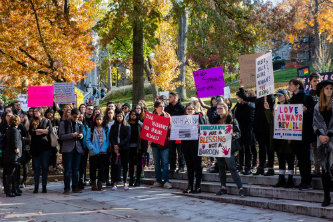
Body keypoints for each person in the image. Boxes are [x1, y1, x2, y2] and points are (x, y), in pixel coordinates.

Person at [238, 79, 275, 176]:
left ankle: (270, 168)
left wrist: (267, 94)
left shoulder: (269, 97)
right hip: (258, 128)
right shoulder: (257, 98)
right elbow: (245, 97)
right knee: (262, 148)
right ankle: (261, 167)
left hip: (267, 127)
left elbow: (271, 104)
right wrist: (241, 86)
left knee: (269, 148)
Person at [213, 102, 245, 197]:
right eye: (217, 108)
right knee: (221, 167)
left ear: (226, 109)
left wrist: (234, 135)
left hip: (228, 147)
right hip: (219, 146)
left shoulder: (231, 119)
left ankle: (240, 188)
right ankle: (223, 187)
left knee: (232, 168)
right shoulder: (216, 119)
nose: (218, 110)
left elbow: (238, 133)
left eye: (220, 108)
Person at [264, 89, 295, 188]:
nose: (278, 97)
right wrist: (268, 110)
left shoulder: (291, 106)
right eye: (277, 95)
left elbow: (294, 122)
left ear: (286, 96)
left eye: (280, 95)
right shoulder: (276, 107)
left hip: (288, 137)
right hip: (278, 137)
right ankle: (281, 179)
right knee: (281, 158)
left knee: (290, 159)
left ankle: (290, 179)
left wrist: (291, 136)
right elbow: (271, 123)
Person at [289, 78, 315, 190]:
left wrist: (306, 111)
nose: (289, 87)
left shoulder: (307, 98)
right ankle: (303, 181)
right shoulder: (291, 99)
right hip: (295, 134)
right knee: (300, 159)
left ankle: (307, 182)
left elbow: (315, 115)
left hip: (305, 134)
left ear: (297, 86)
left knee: (305, 159)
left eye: (290, 85)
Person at [312, 80, 333, 207]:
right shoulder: (317, 106)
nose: (329, 91)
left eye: (331, 88)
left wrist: (329, 134)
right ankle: (326, 196)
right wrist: (320, 135)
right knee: (325, 170)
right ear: (322, 91)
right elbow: (315, 123)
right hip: (321, 141)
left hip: (332, 139)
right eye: (327, 88)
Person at [182, 103, 206, 193]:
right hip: (186, 145)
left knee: (197, 166)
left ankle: (198, 186)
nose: (189, 110)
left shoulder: (199, 118)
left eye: (191, 109)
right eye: (188, 109)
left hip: (196, 145)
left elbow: (205, 129)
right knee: (189, 167)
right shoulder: (182, 119)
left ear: (194, 110)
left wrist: (200, 128)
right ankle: (190, 186)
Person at [59, 108, 84, 194]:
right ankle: (66, 188)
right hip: (67, 149)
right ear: (70, 115)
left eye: (78, 117)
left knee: (76, 169)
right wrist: (71, 135)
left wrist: (81, 135)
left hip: (77, 149)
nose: (76, 119)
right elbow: (61, 136)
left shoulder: (80, 124)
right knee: (67, 170)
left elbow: (82, 134)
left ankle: (75, 187)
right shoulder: (64, 123)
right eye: (74, 117)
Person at [29, 107, 52, 193]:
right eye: (34, 111)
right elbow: (31, 132)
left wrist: (38, 131)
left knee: (45, 167)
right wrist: (42, 130)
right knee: (36, 168)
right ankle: (36, 186)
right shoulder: (32, 121)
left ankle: (44, 186)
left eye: (36, 111)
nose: (35, 112)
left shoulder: (47, 121)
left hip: (45, 148)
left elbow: (48, 132)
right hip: (35, 148)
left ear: (41, 111)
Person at [232, 91, 255, 175]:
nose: (237, 99)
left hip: (247, 132)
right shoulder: (237, 106)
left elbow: (251, 120)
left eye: (239, 98)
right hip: (239, 131)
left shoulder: (250, 106)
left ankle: (248, 167)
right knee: (240, 149)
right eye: (237, 98)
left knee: (248, 150)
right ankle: (241, 165)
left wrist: (247, 130)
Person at [151, 100, 172, 189]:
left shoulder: (167, 115)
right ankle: (158, 180)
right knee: (156, 162)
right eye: (160, 106)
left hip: (164, 143)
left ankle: (166, 181)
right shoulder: (151, 116)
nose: (162, 108)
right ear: (156, 108)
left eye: (163, 106)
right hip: (155, 144)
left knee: (165, 162)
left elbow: (170, 128)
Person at [86, 114, 110, 191]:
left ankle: (100, 183)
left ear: (103, 120)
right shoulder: (91, 129)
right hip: (94, 152)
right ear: (95, 120)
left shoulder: (106, 129)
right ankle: (93, 184)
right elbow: (87, 140)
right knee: (93, 168)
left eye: (100, 119)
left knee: (101, 168)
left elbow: (108, 140)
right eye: (97, 119)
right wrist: (91, 147)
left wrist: (105, 147)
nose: (99, 121)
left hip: (103, 152)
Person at [165, 91, 185, 173]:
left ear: (175, 98)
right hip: (171, 133)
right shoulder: (167, 108)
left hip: (180, 133)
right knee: (172, 151)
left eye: (170, 97)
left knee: (180, 150)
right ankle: (172, 167)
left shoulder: (181, 107)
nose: (168, 99)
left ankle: (181, 167)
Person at [110, 111, 131, 190]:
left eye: (120, 116)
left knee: (125, 165)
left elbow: (127, 137)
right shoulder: (113, 126)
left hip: (124, 148)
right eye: (117, 116)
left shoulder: (127, 126)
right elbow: (111, 137)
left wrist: (119, 145)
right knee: (114, 165)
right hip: (115, 149)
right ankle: (114, 182)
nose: (119, 118)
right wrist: (114, 145)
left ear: (123, 117)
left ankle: (125, 182)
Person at [3, 115, 22, 197]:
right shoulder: (15, 130)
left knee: (10, 173)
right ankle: (10, 191)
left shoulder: (9, 129)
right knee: (11, 174)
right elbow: (15, 142)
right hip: (13, 155)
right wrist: (17, 151)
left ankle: (12, 190)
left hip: (8, 155)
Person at [307, 72, 322, 176]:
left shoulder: (325, 92)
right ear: (310, 82)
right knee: (314, 147)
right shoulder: (308, 95)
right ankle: (317, 169)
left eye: (318, 80)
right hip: (312, 125)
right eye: (314, 81)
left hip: (324, 125)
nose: (316, 83)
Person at [128, 110, 142, 186]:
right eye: (131, 114)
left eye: (134, 115)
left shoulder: (139, 125)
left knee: (138, 164)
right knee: (130, 164)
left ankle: (138, 179)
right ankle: (131, 179)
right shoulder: (126, 124)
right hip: (129, 147)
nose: (133, 116)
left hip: (138, 147)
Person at [103, 108, 115, 186]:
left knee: (114, 163)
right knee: (106, 163)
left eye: (111, 113)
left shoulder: (115, 123)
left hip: (114, 144)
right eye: (109, 113)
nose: (110, 114)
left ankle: (113, 180)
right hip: (106, 145)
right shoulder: (105, 123)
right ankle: (107, 179)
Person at [19, 112, 31, 188]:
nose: (21, 118)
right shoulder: (18, 126)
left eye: (23, 117)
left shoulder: (28, 127)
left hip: (26, 148)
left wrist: (23, 139)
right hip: (19, 147)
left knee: (25, 166)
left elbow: (30, 139)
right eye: (20, 117)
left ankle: (24, 181)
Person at [78, 113, 89, 189]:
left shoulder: (85, 126)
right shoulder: (76, 126)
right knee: (77, 166)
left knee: (83, 166)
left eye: (82, 117)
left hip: (85, 149)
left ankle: (82, 180)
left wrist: (85, 148)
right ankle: (77, 181)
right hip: (77, 149)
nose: (81, 118)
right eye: (79, 117)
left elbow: (87, 137)